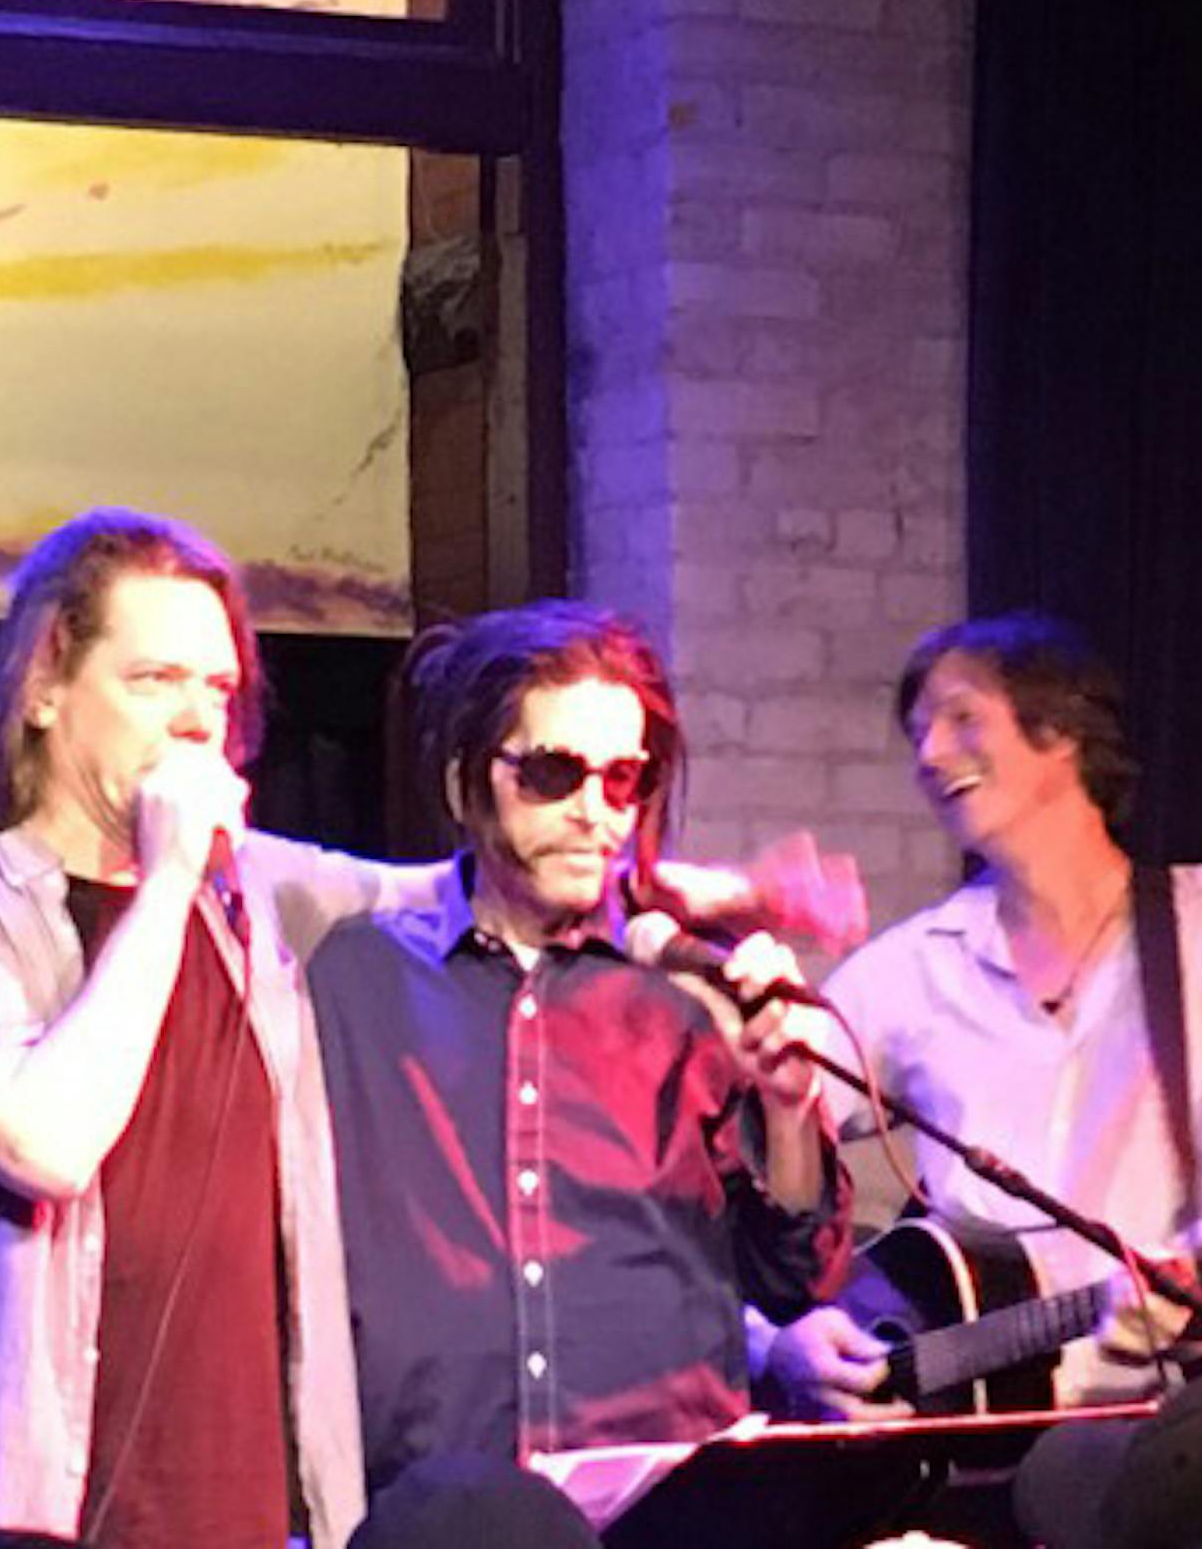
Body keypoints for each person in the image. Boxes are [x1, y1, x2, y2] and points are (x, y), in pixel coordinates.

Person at [0, 509, 446, 1549]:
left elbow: (453, 899)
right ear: (44, 687)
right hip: (11, 1519)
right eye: (157, 680)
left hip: (240, 1516)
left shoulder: (261, 894)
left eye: (221, 689)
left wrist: (670, 909)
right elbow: (43, 1143)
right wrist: (164, 881)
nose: (201, 720)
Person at [306, 601, 855, 1495]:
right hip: (437, 1504)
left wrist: (791, 1109)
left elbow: (794, 1280)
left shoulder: (691, 994)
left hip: (669, 1507)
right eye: (555, 773)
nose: (594, 813)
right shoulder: (355, 979)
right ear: (463, 783)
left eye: (622, 779)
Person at [760, 611, 1202, 1416]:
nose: (928, 756)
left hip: (1173, 1430)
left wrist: (1192, 1304)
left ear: (1060, 731)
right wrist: (783, 1335)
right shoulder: (912, 969)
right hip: (972, 1442)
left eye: (961, 719)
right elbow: (757, 1146)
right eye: (918, 734)